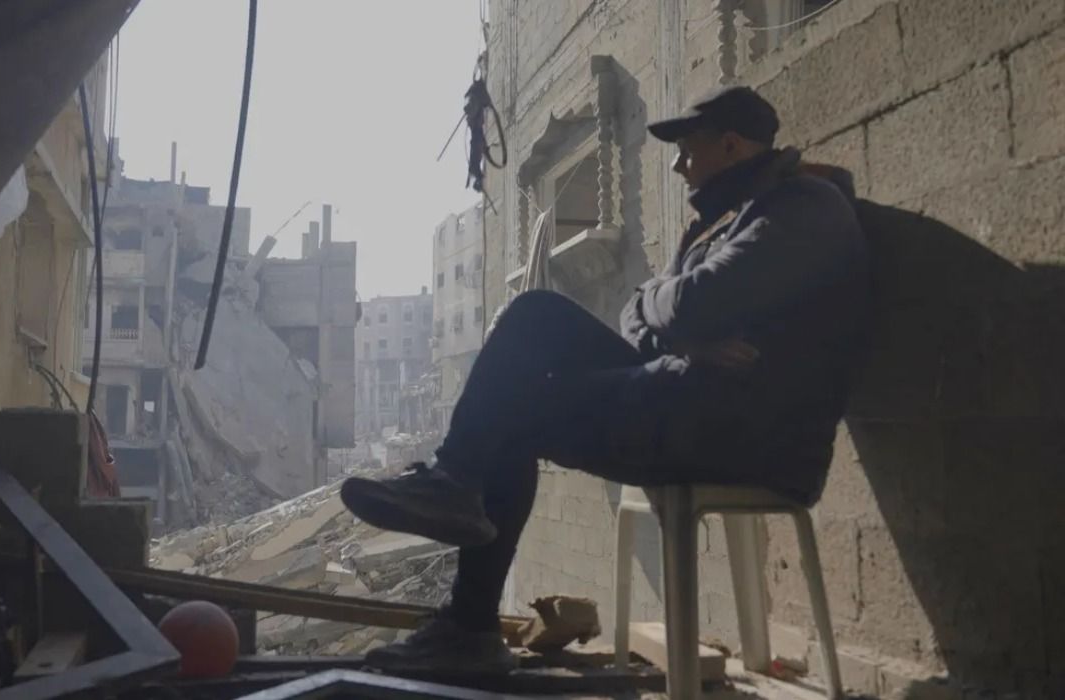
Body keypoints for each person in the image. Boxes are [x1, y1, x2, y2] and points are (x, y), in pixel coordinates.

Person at [340, 86, 869, 673]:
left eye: (688, 149)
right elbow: (638, 312)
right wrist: (679, 325)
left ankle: (466, 611)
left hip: (747, 433)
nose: (677, 164)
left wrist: (674, 316)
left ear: (730, 144)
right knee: (535, 315)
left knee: (512, 412)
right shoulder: (726, 221)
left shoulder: (804, 208)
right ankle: (455, 488)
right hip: (690, 401)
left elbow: (692, 302)